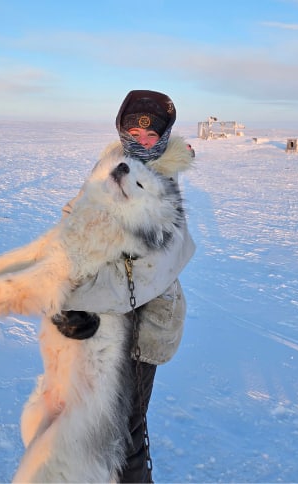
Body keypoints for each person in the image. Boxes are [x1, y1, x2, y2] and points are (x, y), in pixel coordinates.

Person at [53, 89, 196, 482]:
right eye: (134, 131)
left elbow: (154, 266)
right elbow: (74, 222)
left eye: (152, 136)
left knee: (122, 433)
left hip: (142, 327)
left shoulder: (162, 180)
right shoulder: (110, 164)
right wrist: (59, 290)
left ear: (164, 138)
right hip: (99, 322)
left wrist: (76, 299)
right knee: (87, 419)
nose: (142, 142)